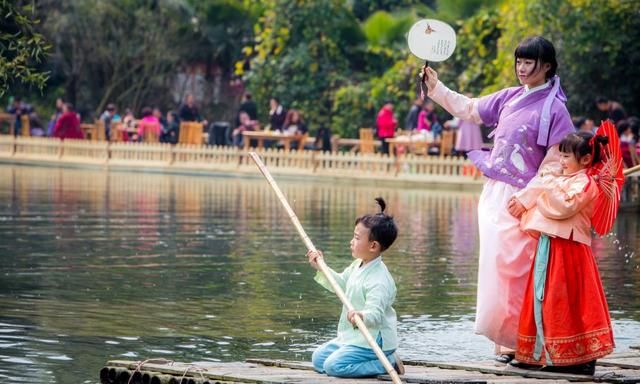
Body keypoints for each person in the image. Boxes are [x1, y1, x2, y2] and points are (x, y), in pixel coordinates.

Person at [422, 36, 575, 362]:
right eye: (518, 61)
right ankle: (503, 341)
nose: (521, 68)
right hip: (494, 195)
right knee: (494, 268)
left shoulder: (556, 109)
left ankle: (525, 342)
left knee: (520, 269)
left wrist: (527, 196)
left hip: (526, 200)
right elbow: (469, 109)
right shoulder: (509, 97)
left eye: (529, 62)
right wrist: (437, 88)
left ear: (546, 66)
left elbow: (556, 164)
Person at [507, 131, 615, 375]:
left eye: (566, 156)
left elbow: (563, 208)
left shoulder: (586, 183)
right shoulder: (564, 178)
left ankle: (580, 356)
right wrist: (548, 187)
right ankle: (536, 353)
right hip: (551, 244)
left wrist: (547, 188)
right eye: (561, 155)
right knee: (541, 297)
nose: (561, 160)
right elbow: (549, 202)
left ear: (586, 160)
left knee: (567, 300)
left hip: (570, 249)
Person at [308, 197, 403, 378]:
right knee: (318, 359)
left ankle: (388, 362)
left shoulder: (379, 280)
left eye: (357, 238)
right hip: (354, 337)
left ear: (373, 246)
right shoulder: (358, 264)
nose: (351, 241)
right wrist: (322, 267)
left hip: (373, 338)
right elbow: (341, 284)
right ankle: (374, 359)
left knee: (333, 366)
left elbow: (375, 315)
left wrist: (362, 315)